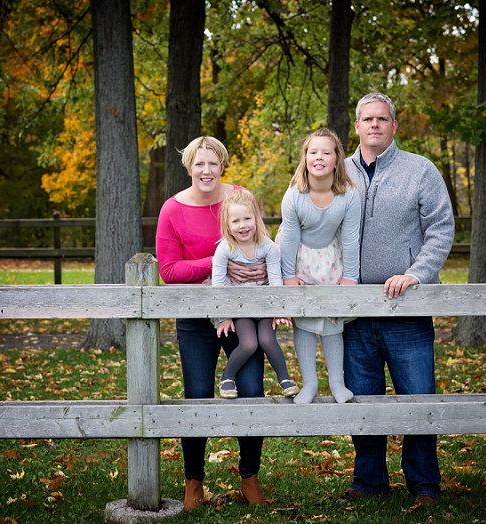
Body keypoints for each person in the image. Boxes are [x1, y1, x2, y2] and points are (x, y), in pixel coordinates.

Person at [342, 93, 454, 505]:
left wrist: (415, 273)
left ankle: (424, 484)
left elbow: (441, 229)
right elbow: (311, 223)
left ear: (394, 126)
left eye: (382, 119)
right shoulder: (336, 171)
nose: (375, 125)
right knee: (363, 397)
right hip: (353, 311)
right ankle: (369, 481)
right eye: (367, 119)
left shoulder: (419, 171)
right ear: (356, 126)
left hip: (406, 308)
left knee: (418, 398)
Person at [155, 136, 268, 510]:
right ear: (189, 166)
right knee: (197, 396)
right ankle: (193, 482)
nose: (206, 171)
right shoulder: (172, 209)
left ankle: (249, 477)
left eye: (213, 163)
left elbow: (262, 245)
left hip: (242, 315)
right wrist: (220, 258)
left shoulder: (240, 198)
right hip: (195, 317)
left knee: (252, 391)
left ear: (223, 165)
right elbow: (170, 271)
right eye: (198, 164)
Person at [279, 128, 361, 405]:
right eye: (313, 152)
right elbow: (289, 237)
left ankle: (337, 383)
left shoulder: (348, 195)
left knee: (332, 322)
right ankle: (310, 383)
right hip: (301, 259)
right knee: (304, 322)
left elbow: (351, 237)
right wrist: (288, 276)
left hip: (331, 259)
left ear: (337, 160)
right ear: (305, 158)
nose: (319, 157)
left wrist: (350, 276)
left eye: (327, 152)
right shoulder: (294, 194)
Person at [212, 189, 299, 399]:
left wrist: (278, 311)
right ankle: (227, 378)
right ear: (228, 226)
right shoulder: (225, 249)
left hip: (265, 304)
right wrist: (223, 317)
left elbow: (276, 280)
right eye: (236, 221)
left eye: (247, 218)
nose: (243, 225)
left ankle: (285, 379)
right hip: (240, 307)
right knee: (250, 343)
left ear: (256, 220)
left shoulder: (267, 247)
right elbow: (217, 285)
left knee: (268, 340)